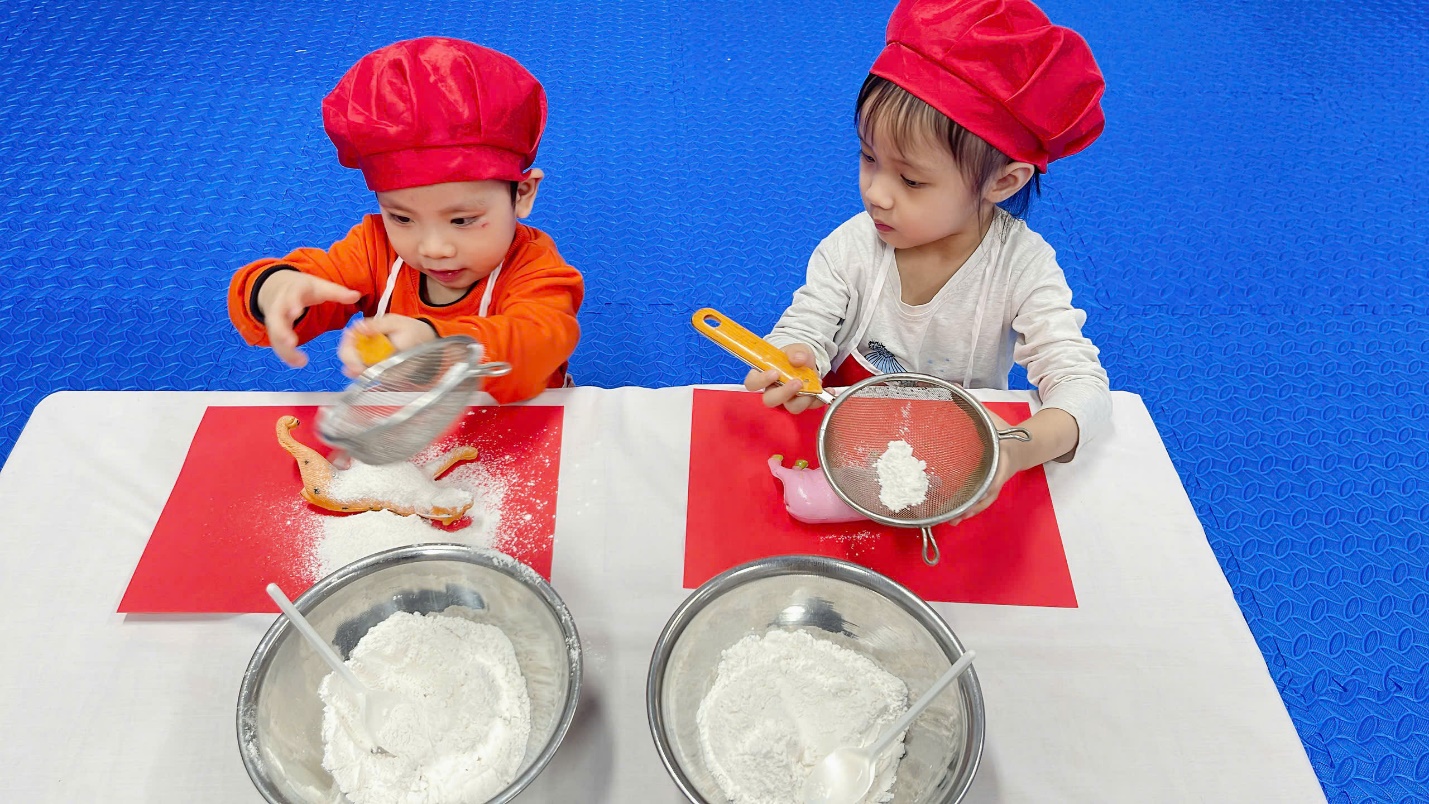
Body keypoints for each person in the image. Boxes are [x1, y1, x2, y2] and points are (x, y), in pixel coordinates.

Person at [748, 0, 1111, 523]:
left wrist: (1013, 449)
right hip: (847, 433)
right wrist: (791, 356)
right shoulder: (853, 246)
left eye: (911, 180)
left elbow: (1084, 389)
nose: (876, 194)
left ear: (1003, 182)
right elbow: (807, 326)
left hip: (955, 451)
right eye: (868, 157)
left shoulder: (1021, 267)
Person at [228, 37, 582, 404]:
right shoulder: (374, 248)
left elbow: (541, 341)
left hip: (524, 419)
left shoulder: (534, 267)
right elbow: (304, 280)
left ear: (522, 194)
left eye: (461, 220)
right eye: (401, 217)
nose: (432, 248)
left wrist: (435, 344)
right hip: (404, 426)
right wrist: (275, 289)